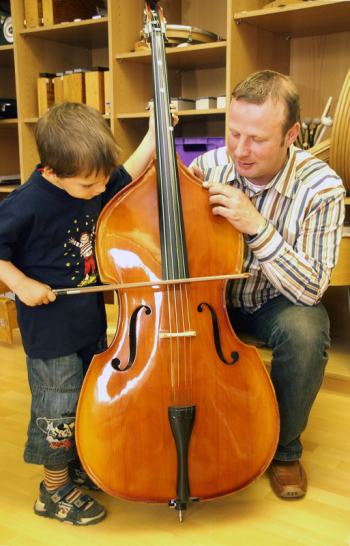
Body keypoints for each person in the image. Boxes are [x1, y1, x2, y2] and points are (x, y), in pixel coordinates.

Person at [0, 101, 176, 525]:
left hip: (88, 323)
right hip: (50, 332)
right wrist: (20, 284)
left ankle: (76, 467)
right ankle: (54, 490)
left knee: (85, 402)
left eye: (101, 183)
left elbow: (128, 173)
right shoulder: (27, 202)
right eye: (88, 187)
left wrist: (155, 132)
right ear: (52, 171)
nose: (100, 192)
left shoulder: (89, 176)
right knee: (57, 410)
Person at [190, 70, 345, 499]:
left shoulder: (322, 188)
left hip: (274, 299)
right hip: (212, 294)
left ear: (291, 134)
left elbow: (310, 289)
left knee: (306, 330)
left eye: (256, 139)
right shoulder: (207, 167)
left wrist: (256, 226)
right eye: (233, 133)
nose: (240, 150)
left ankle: (284, 450)